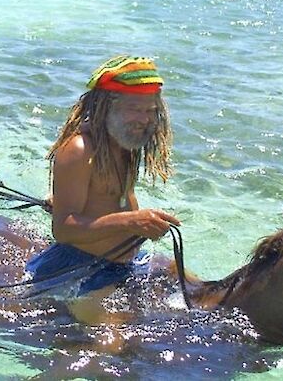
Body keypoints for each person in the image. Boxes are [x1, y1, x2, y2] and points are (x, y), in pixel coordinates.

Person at [26, 55, 181, 322]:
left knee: (197, 287)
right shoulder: (79, 150)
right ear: (106, 107)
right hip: (81, 268)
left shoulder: (124, 145)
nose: (144, 120)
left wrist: (143, 224)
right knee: (111, 344)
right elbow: (63, 230)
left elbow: (119, 200)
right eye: (135, 109)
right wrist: (131, 222)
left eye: (150, 110)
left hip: (125, 263)